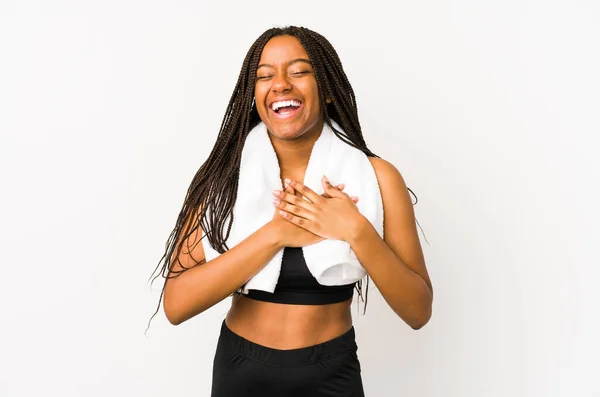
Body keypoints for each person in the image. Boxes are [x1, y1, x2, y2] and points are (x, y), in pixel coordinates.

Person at [149, 26, 433, 397]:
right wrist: (275, 234)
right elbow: (176, 304)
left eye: (299, 71)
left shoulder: (377, 177)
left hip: (331, 375)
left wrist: (356, 231)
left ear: (328, 89)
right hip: (241, 373)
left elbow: (418, 311)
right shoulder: (224, 178)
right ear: (255, 96)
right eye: (265, 76)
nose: (280, 84)